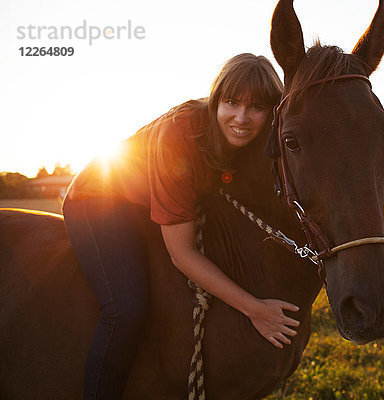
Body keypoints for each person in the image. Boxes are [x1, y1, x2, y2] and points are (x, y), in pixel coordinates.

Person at [62, 53, 299, 400]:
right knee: (126, 308)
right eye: (231, 102)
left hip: (155, 203)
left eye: (257, 107)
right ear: (216, 100)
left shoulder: (259, 139)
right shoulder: (181, 132)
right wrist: (255, 309)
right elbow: (182, 253)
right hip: (102, 198)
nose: (242, 118)